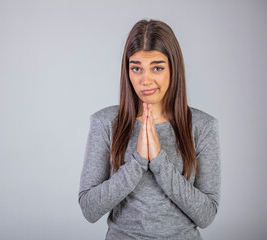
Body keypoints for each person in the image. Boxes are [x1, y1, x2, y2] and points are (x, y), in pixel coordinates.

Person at [78, 19, 221, 240]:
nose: (146, 80)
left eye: (157, 67)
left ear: (174, 68)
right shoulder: (105, 122)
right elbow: (89, 208)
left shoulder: (203, 127)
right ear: (127, 71)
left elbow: (207, 215)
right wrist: (137, 162)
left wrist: (159, 161)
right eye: (136, 68)